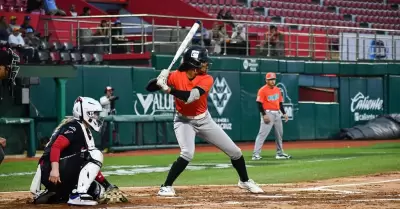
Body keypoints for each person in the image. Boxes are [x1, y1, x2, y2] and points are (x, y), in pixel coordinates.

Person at [146, 45, 264, 196]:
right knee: (187, 153)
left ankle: (245, 181)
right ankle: (166, 186)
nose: (206, 65)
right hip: (183, 121)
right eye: (203, 62)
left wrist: (168, 89)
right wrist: (159, 79)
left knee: (235, 152)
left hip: (204, 120)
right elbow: (148, 88)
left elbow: (190, 97)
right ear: (193, 65)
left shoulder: (207, 79)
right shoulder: (175, 75)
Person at [29, 96, 127, 206]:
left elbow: (89, 165)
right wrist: (55, 170)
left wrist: (106, 185)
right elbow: (55, 147)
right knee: (96, 154)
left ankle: (57, 195)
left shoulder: (82, 128)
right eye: (94, 113)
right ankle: (78, 195)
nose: (97, 116)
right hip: (52, 172)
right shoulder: (74, 127)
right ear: (86, 113)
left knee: (98, 191)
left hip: (55, 174)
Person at [251, 72, 291, 161]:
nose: (272, 81)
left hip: (277, 113)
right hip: (268, 113)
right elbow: (259, 104)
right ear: (266, 80)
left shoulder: (277, 90)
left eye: (273, 79)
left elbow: (280, 103)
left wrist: (284, 113)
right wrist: (264, 114)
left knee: (279, 134)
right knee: (262, 134)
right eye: (270, 80)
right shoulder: (262, 90)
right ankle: (255, 154)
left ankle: (279, 153)